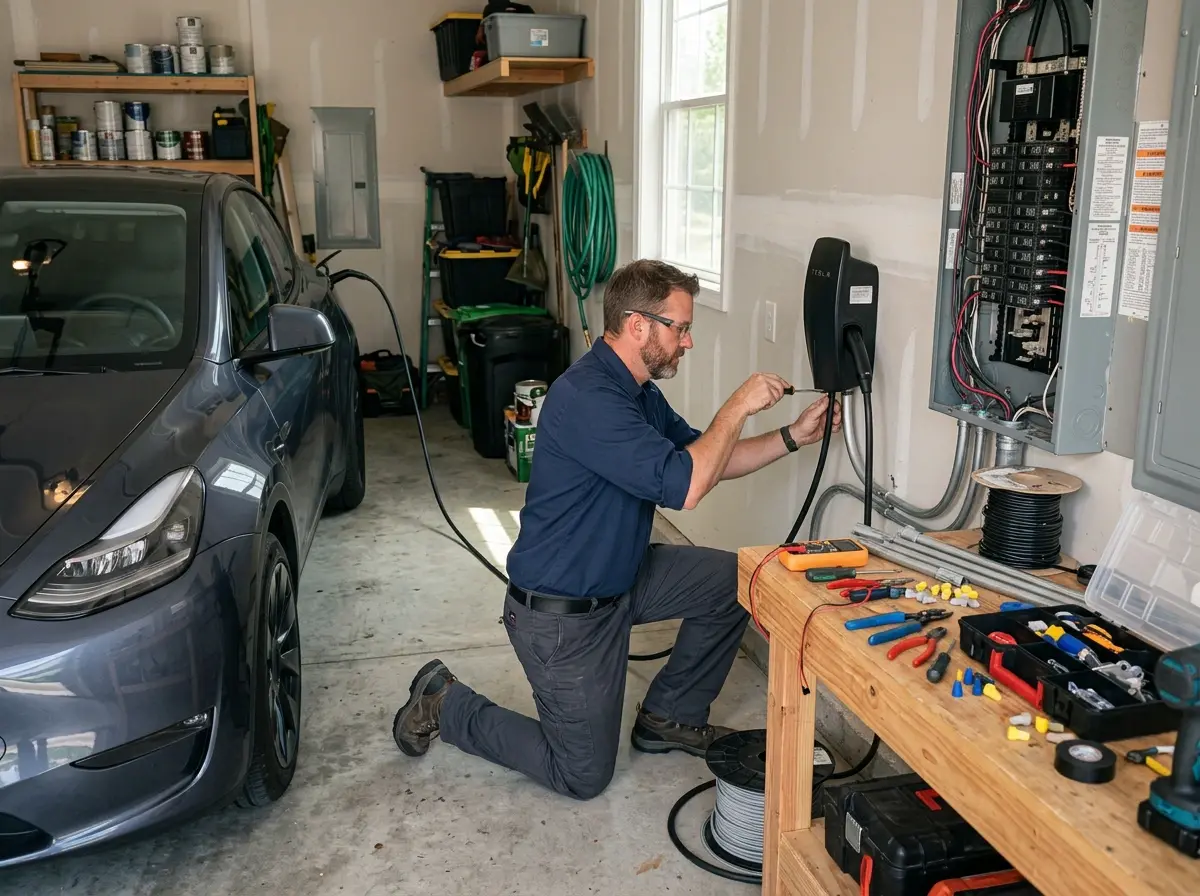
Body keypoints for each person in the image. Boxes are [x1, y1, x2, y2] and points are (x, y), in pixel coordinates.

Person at [391, 258, 841, 800]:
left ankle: (668, 717)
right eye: (681, 328)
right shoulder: (589, 399)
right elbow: (689, 487)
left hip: (621, 581)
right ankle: (445, 701)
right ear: (638, 325)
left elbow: (705, 458)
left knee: (733, 579)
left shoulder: (638, 393)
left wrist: (793, 435)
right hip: (563, 615)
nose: (688, 342)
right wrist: (740, 405)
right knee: (582, 775)